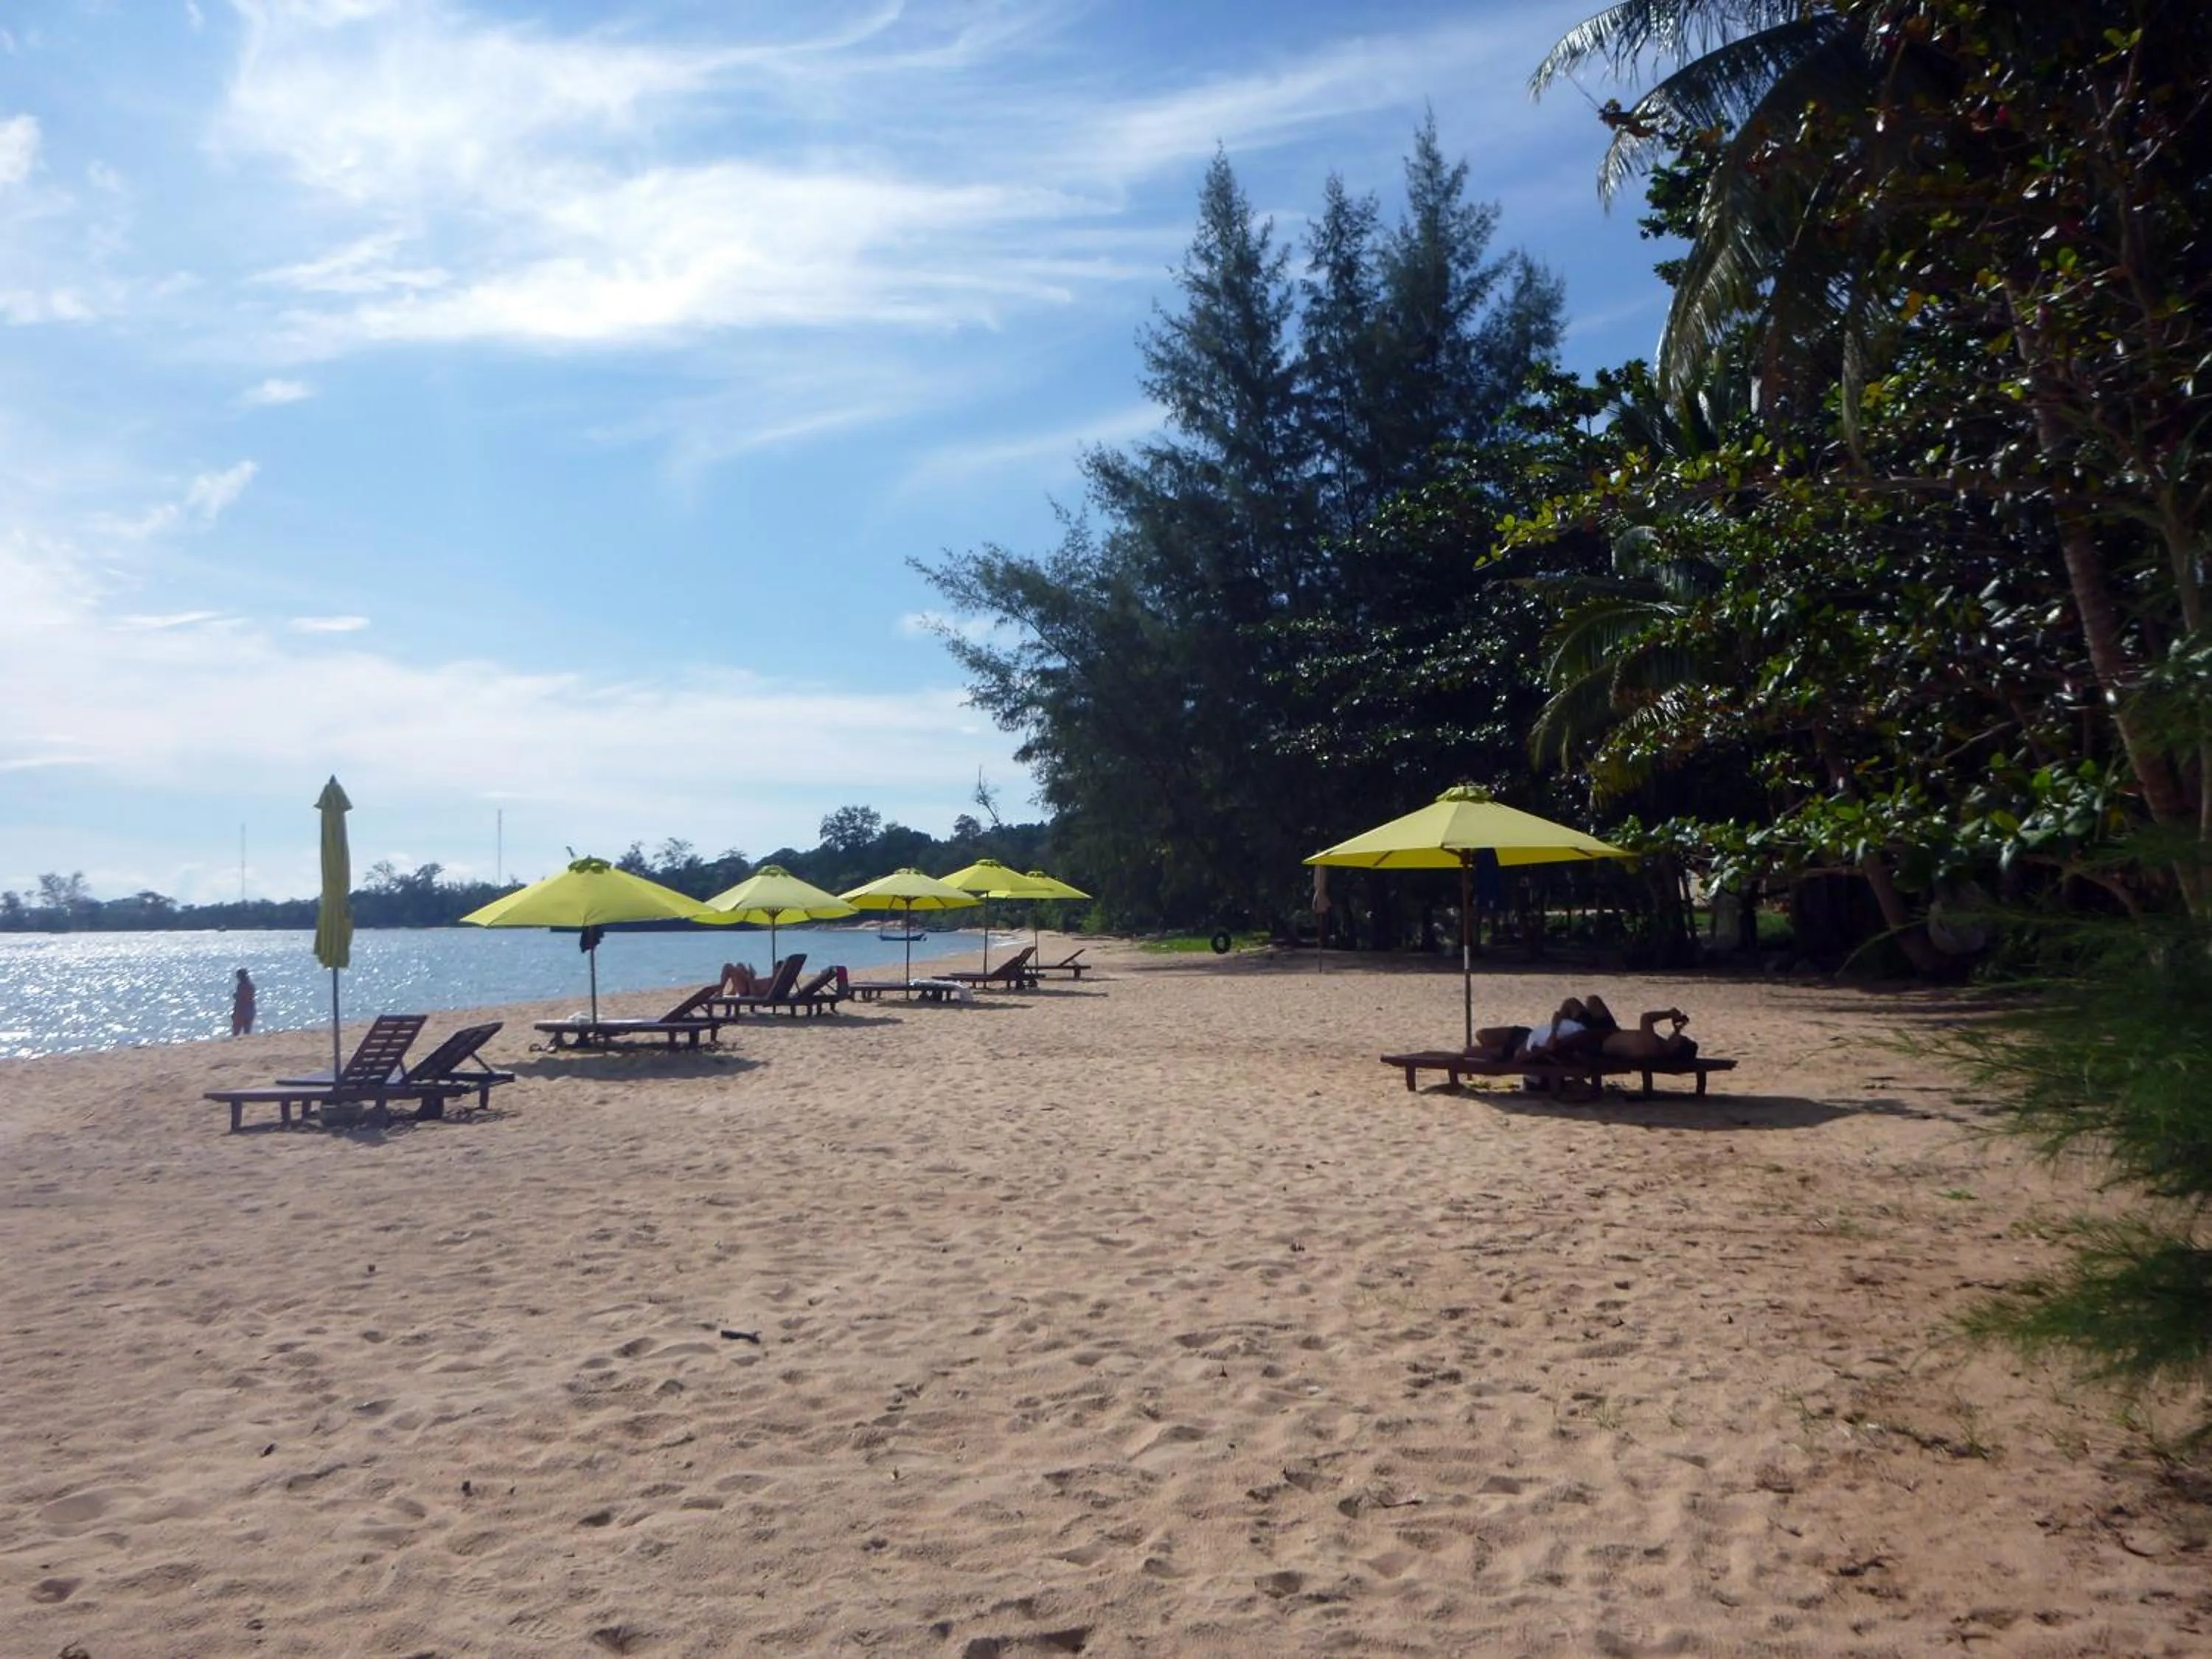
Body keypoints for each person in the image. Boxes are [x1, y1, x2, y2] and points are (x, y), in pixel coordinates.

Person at [230, 968, 256, 1037]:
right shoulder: (251, 985)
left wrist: (235, 1013)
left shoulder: (241, 986)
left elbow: (240, 1000)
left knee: (236, 1032)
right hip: (250, 1010)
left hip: (242, 1011)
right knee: (247, 1032)